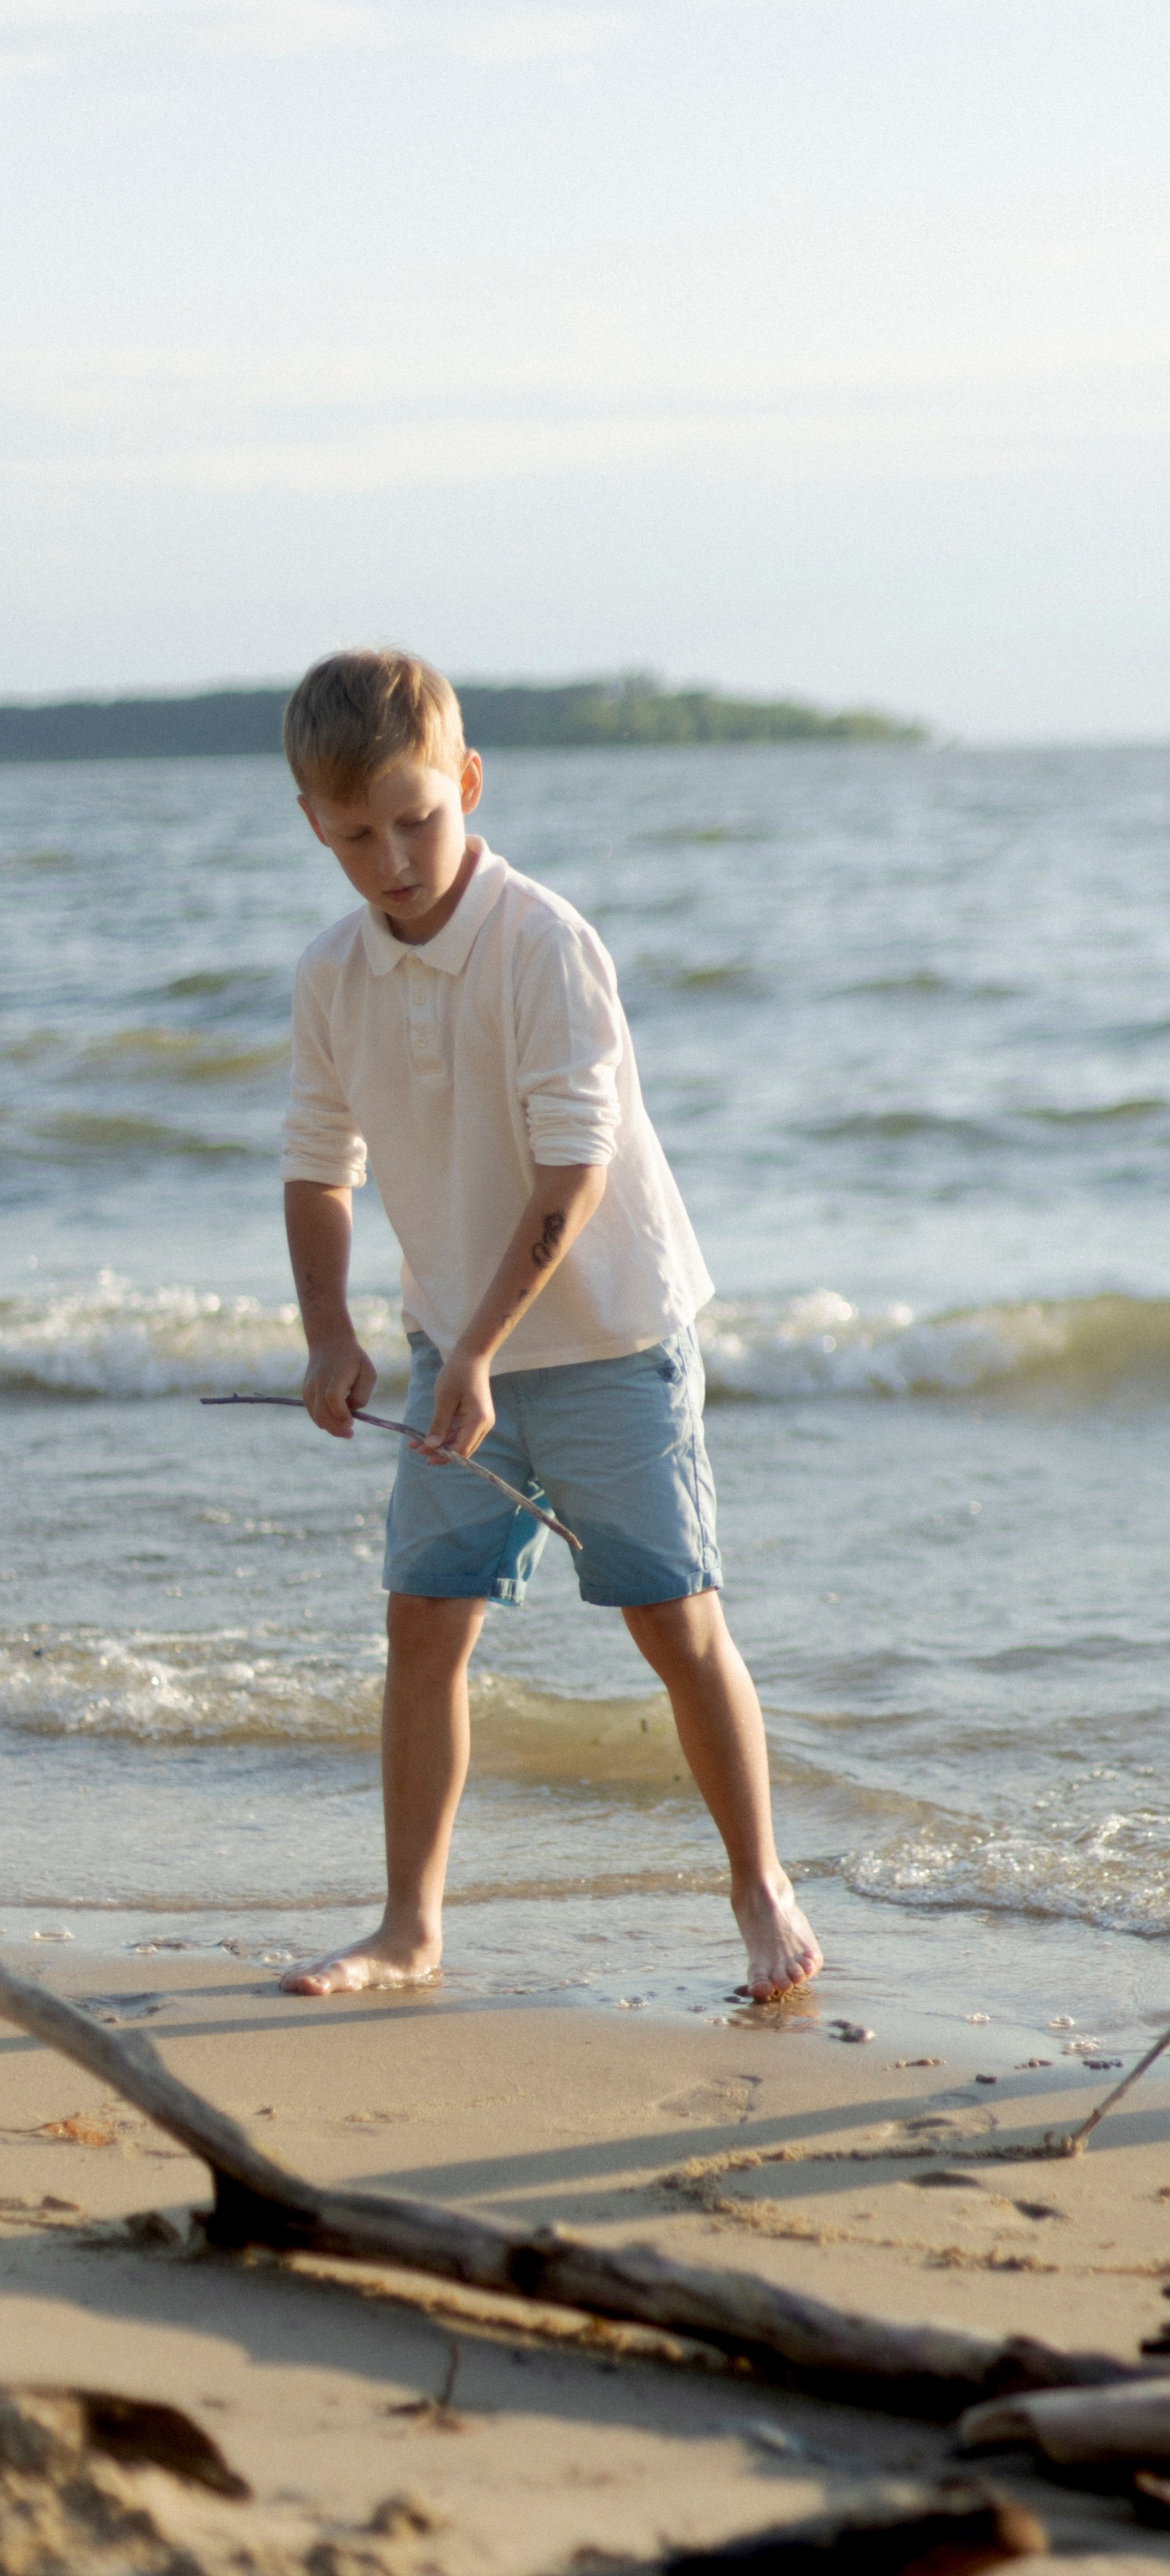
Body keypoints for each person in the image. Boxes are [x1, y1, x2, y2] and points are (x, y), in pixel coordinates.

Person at [274, 648, 821, 2003]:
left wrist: (478, 1353)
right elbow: (315, 1162)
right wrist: (330, 1333)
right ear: (315, 825)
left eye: (418, 817)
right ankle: (409, 1925)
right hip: (447, 1347)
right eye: (357, 835)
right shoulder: (333, 974)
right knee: (424, 1621)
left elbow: (573, 1172)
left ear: (466, 782)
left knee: (673, 1619)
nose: (395, 858)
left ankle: (760, 1887)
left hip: (607, 1341)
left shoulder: (544, 943)